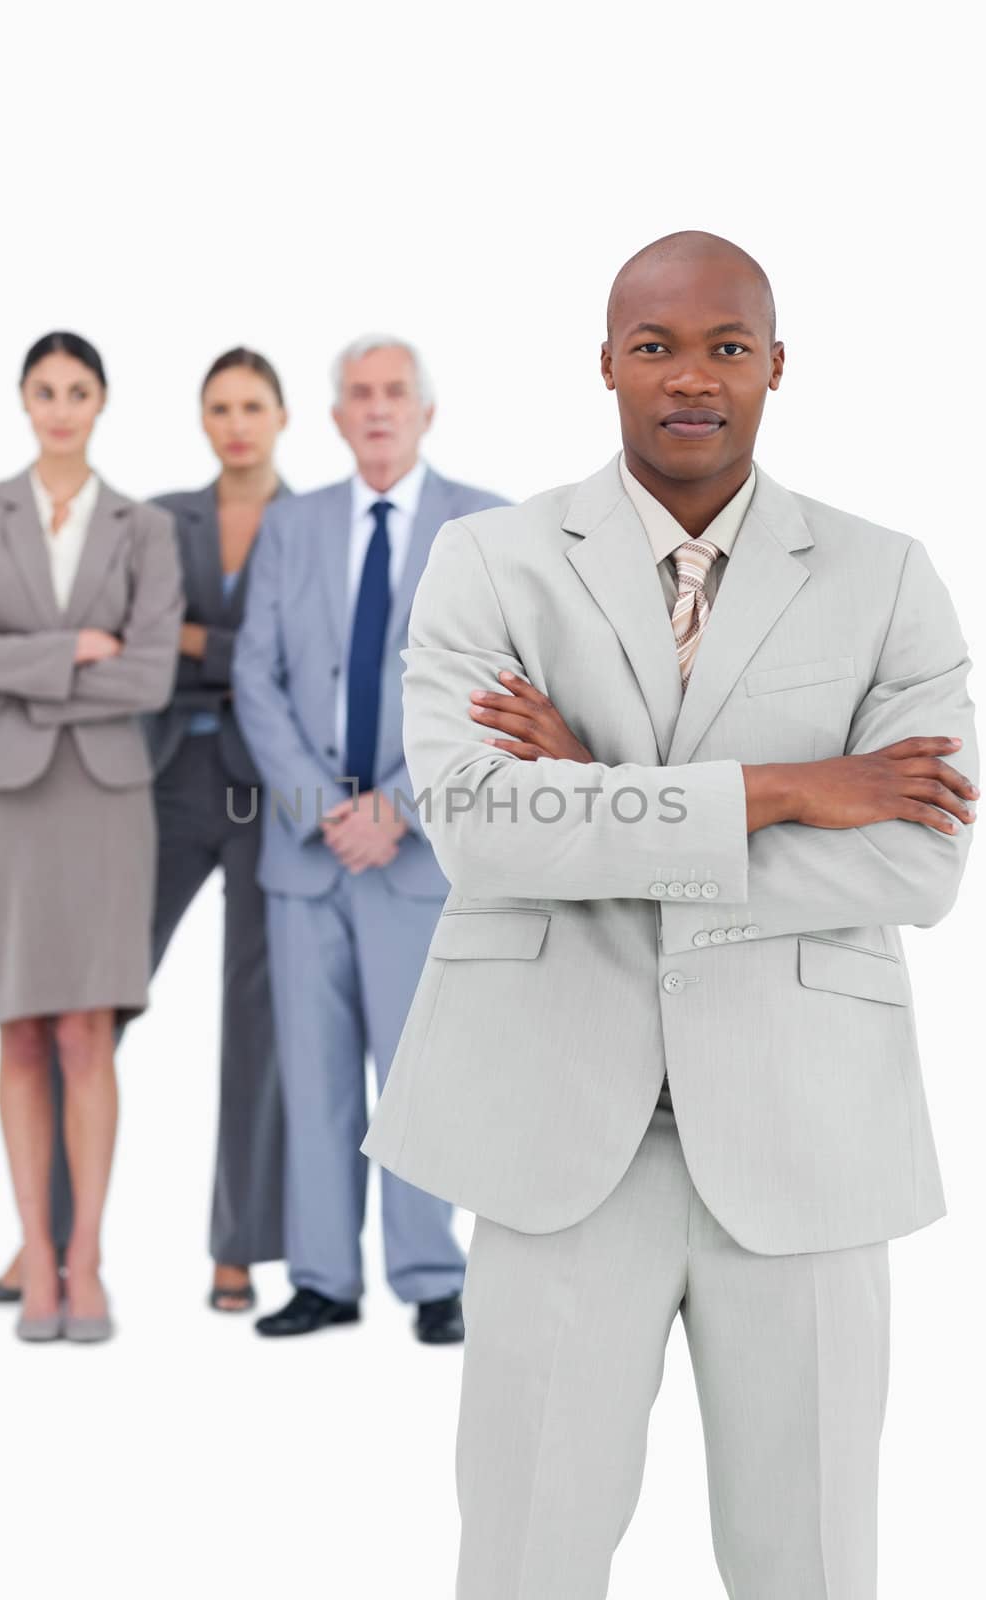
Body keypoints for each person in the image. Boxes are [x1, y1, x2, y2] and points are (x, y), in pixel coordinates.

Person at [362, 234, 979, 1595]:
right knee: (527, 1551)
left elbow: (913, 869)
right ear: (603, 364)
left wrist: (597, 794)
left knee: (809, 1560)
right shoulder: (488, 562)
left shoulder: (883, 577)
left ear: (774, 368)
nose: (688, 377)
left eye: (724, 347)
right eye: (653, 347)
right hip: (554, 1134)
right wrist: (784, 789)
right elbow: (480, 830)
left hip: (805, 1132)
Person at [0, 348, 292, 1315]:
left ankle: (237, 1248)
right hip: (153, 775)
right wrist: (164, 649)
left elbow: (285, 652)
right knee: (88, 1007)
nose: (235, 422)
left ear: (280, 417)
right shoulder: (159, 519)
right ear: (201, 420)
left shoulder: (309, 523)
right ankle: (50, 1244)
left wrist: (187, 640)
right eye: (219, 407)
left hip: (271, 783)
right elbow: (127, 649)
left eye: (251, 406)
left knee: (254, 1015)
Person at [233, 334, 508, 1343]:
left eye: (395, 392)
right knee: (310, 1078)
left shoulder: (479, 523)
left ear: (424, 411)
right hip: (306, 856)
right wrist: (319, 807)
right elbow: (255, 676)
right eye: (359, 394)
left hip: (415, 852)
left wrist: (397, 804)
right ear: (337, 416)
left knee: (419, 1071)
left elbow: (498, 685)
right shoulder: (292, 525)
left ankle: (433, 1275)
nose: (378, 407)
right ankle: (320, 1277)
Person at [0, 331, 182, 1343]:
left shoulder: (142, 527)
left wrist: (14, 658)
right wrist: (76, 650)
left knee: (87, 1029)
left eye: (79, 390)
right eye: (47, 390)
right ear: (24, 401)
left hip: (109, 800)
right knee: (22, 1027)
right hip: (6, 804)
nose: (63, 406)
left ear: (102, 401)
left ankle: (87, 1262)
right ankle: (35, 1253)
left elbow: (150, 675)